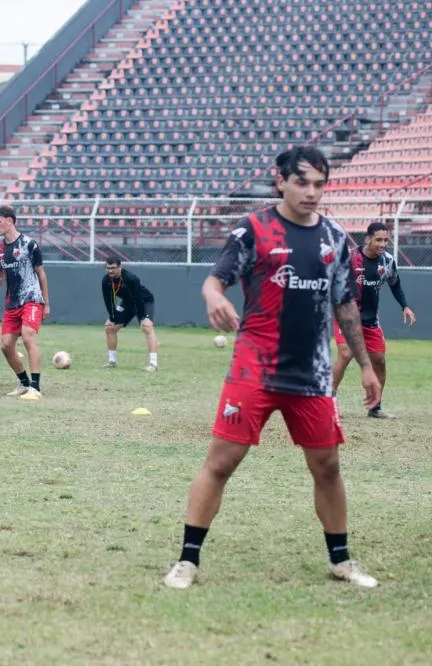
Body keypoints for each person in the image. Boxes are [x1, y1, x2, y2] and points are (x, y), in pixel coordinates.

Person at [163, 146, 381, 591]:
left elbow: (344, 304)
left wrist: (365, 365)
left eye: (320, 184)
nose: (312, 193)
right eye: (302, 182)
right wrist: (214, 297)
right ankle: (187, 560)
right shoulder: (253, 229)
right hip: (254, 370)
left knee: (328, 467)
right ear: (280, 181)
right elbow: (214, 278)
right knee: (221, 463)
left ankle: (341, 559)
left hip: (313, 375)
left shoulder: (336, 238)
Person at [331, 222, 416, 419]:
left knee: (379, 361)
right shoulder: (349, 258)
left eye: (386, 240)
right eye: (379, 239)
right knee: (345, 354)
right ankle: (329, 402)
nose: (383, 244)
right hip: (346, 316)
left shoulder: (387, 261)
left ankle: (375, 407)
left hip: (370, 321)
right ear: (368, 238)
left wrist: (405, 306)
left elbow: (395, 284)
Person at [0, 206, 50, 398]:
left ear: (10, 221)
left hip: (31, 299)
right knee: (6, 345)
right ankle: (24, 383)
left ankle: (36, 387)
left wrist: (46, 303)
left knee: (28, 336)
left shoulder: (29, 244)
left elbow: (41, 273)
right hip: (12, 303)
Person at [101, 257, 159, 372]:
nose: (110, 271)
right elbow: (109, 301)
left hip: (144, 301)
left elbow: (138, 299)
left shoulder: (130, 278)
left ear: (120, 267)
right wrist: (112, 318)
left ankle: (153, 364)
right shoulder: (106, 280)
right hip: (128, 303)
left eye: (113, 268)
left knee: (147, 327)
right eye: (108, 268)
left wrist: (143, 318)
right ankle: (112, 361)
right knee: (109, 327)